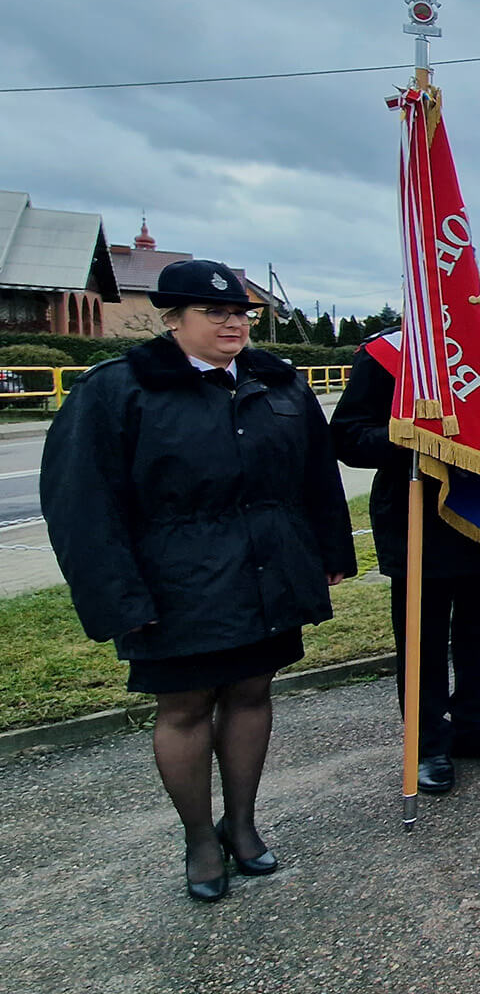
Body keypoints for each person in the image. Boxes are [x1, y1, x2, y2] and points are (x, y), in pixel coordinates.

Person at [43, 259, 355, 901]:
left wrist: (328, 553)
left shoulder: (279, 385)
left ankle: (240, 824)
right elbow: (82, 504)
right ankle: (199, 840)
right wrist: (117, 597)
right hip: (173, 583)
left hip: (267, 572)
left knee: (250, 693)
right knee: (184, 708)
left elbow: (316, 478)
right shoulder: (117, 390)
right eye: (215, 312)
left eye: (241, 312)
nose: (233, 323)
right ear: (171, 319)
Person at [333, 323, 480, 796]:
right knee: (421, 644)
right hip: (418, 521)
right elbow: (347, 437)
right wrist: (412, 437)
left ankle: (476, 726)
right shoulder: (388, 353)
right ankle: (427, 744)